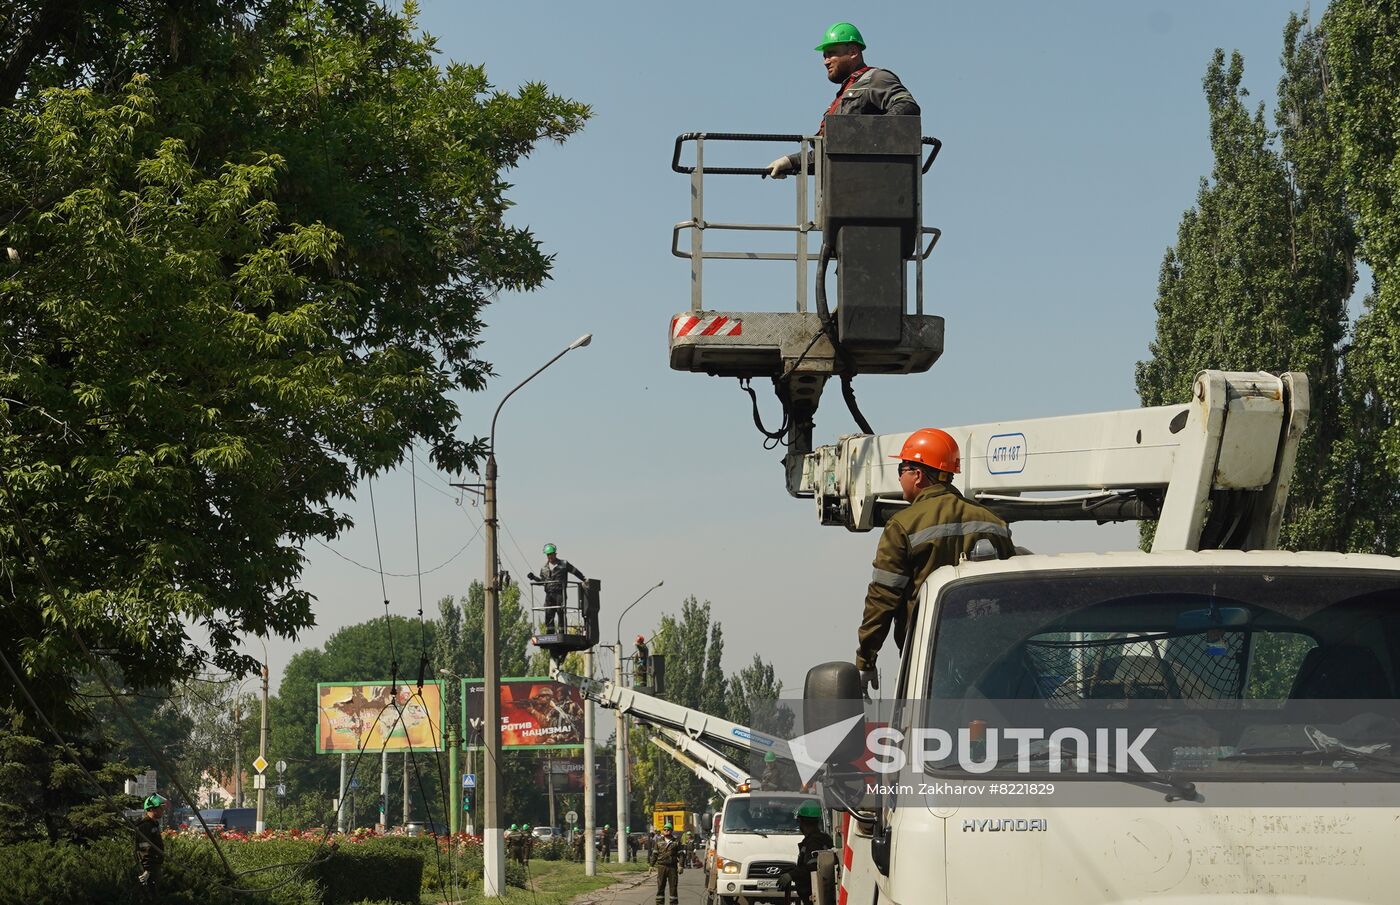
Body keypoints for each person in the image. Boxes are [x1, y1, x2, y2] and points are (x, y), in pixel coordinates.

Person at [856, 429, 1014, 696]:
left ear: (917, 475)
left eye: (901, 469)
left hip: (927, 655)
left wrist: (866, 658)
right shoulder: (993, 522)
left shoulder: (902, 525)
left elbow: (883, 599)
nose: (898, 477)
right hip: (990, 658)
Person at [767, 22, 920, 179]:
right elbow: (832, 151)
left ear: (853, 52)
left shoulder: (875, 78)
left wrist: (870, 138)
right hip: (842, 191)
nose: (826, 61)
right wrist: (789, 162)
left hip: (870, 186)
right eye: (824, 56)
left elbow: (907, 107)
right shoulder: (842, 96)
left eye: (832, 54)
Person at [528, 544, 586, 633]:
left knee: (560, 612)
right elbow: (542, 582)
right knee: (549, 613)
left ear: (555, 554)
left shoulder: (564, 564)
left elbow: (575, 571)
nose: (550, 556)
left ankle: (562, 633)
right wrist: (534, 578)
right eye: (548, 555)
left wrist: (584, 579)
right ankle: (550, 634)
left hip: (560, 593)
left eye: (551, 554)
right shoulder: (544, 568)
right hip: (549, 595)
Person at [786, 802, 834, 905]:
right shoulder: (824, 839)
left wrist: (792, 874)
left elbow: (813, 867)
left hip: (814, 895)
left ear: (802, 822)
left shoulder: (813, 842)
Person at [134, 794, 166, 891]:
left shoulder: (153, 825)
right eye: (160, 808)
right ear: (152, 809)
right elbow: (144, 849)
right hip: (148, 870)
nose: (162, 810)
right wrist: (147, 870)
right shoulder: (145, 826)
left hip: (154, 867)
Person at [649, 821, 684, 905]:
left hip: (672, 867)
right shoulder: (658, 842)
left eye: (668, 829)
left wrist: (681, 866)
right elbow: (654, 854)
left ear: (671, 830)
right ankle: (660, 903)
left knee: (673, 887)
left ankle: (673, 903)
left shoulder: (676, 842)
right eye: (664, 829)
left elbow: (681, 855)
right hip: (661, 867)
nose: (666, 831)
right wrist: (651, 865)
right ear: (663, 831)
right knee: (660, 886)